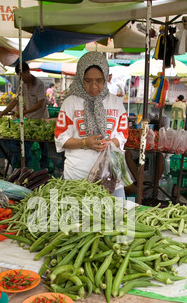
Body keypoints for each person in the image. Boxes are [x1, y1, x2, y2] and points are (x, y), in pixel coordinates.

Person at [54, 52, 130, 199]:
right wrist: (85, 142)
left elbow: (122, 136)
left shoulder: (116, 102)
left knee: (115, 218)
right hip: (77, 176)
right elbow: (60, 138)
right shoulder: (71, 102)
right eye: (88, 81)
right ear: (81, 78)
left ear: (107, 77)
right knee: (78, 219)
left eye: (99, 81)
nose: (94, 86)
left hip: (110, 175)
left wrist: (108, 143)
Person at [0, 61, 49, 170]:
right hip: (30, 121)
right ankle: (26, 169)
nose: (21, 78)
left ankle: (46, 170)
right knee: (26, 146)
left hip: (42, 120)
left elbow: (41, 103)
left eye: (21, 75)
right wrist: (2, 114)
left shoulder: (39, 84)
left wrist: (24, 112)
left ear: (27, 72)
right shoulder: (22, 85)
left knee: (44, 148)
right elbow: (15, 101)